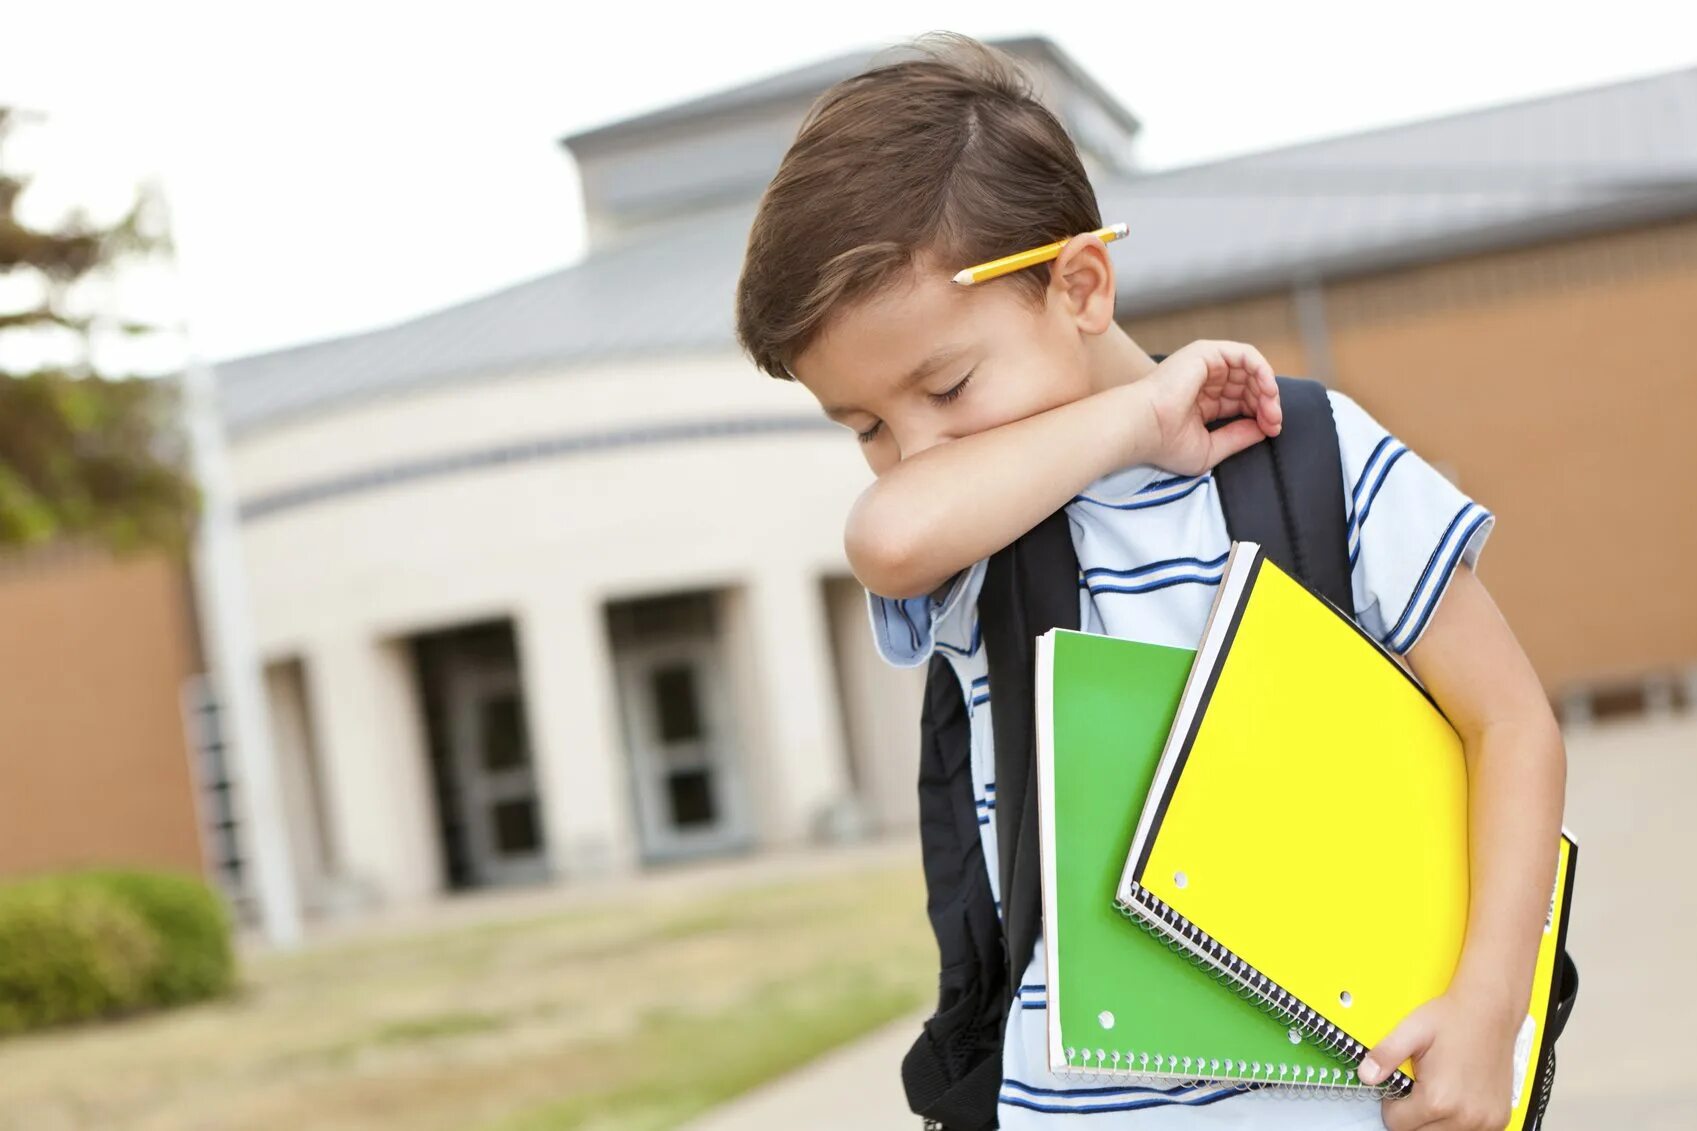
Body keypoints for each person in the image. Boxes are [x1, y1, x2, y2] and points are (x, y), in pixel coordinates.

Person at [733, 32, 1566, 1131]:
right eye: (867, 427)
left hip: (1342, 1092)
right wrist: (1137, 416)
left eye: (946, 385)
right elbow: (887, 538)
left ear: (1078, 283)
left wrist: (1484, 1009)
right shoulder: (976, 535)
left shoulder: (1311, 456)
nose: (916, 447)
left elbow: (1508, 726)